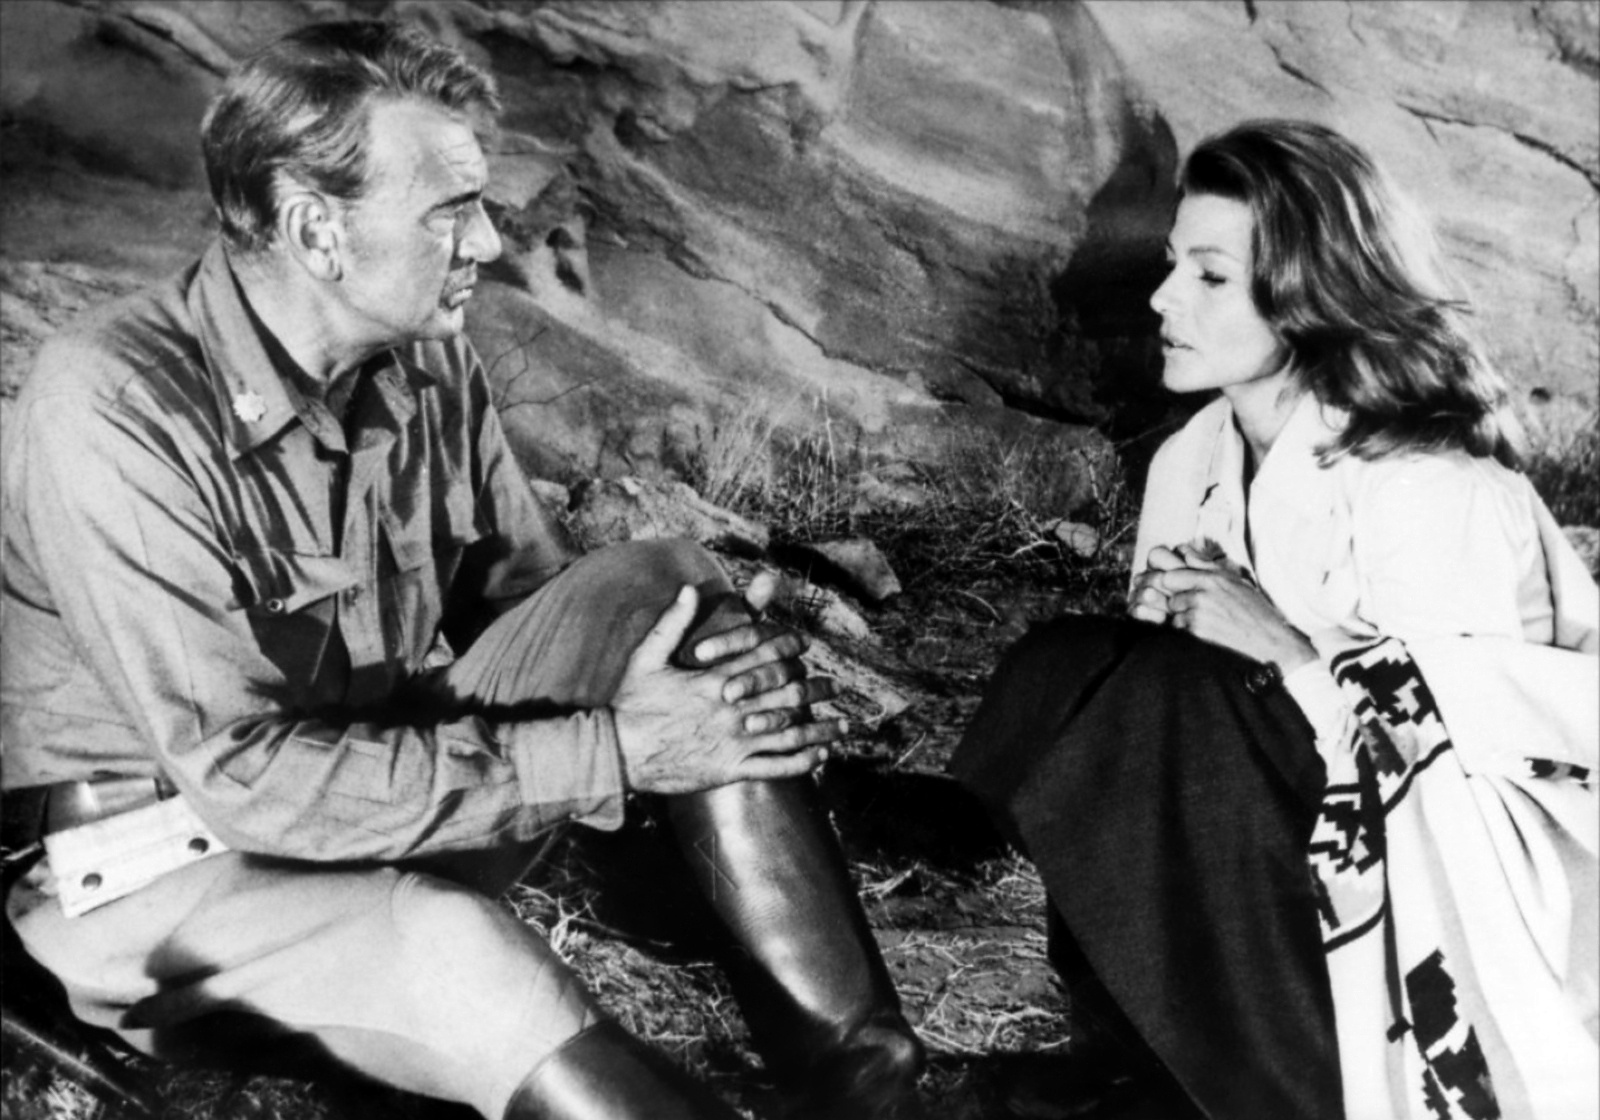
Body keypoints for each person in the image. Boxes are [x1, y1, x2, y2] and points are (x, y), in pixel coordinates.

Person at [0, 21, 927, 1120]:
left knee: (666, 592)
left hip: (381, 795)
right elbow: (244, 781)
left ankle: (870, 1086)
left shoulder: (428, 364)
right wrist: (618, 750)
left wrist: (702, 662)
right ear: (315, 230)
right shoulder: (113, 405)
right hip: (170, 872)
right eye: (449, 211)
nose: (487, 240)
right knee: (460, 952)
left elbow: (541, 616)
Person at [951, 119, 1597, 1120]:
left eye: (1210, 276)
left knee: (1157, 696)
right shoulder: (1192, 458)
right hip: (1298, 840)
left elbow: (1467, 799)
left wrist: (1289, 660)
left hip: (1473, 912)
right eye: (1173, 265)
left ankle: (1287, 1085)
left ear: (1310, 296)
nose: (1163, 298)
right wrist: (1173, 645)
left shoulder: (1426, 483)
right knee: (1073, 665)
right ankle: (1144, 1054)